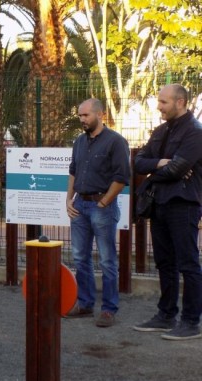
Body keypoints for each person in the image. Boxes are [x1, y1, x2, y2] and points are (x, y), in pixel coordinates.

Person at [133, 84, 202, 340]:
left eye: (163, 102)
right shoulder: (161, 131)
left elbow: (176, 171)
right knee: (164, 263)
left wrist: (160, 171)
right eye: (159, 102)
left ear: (180, 102)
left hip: (183, 205)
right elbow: (139, 162)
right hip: (159, 204)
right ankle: (165, 316)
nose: (159, 106)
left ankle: (191, 322)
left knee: (188, 264)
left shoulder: (195, 132)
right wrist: (162, 163)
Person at [64, 98, 130, 327]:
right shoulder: (79, 142)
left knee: (107, 260)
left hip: (102, 207)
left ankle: (109, 309)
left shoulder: (116, 142)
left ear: (100, 114)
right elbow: (73, 171)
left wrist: (104, 203)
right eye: (80, 116)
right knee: (80, 257)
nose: (82, 120)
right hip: (79, 206)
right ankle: (85, 304)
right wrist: (68, 199)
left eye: (86, 115)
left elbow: (121, 178)